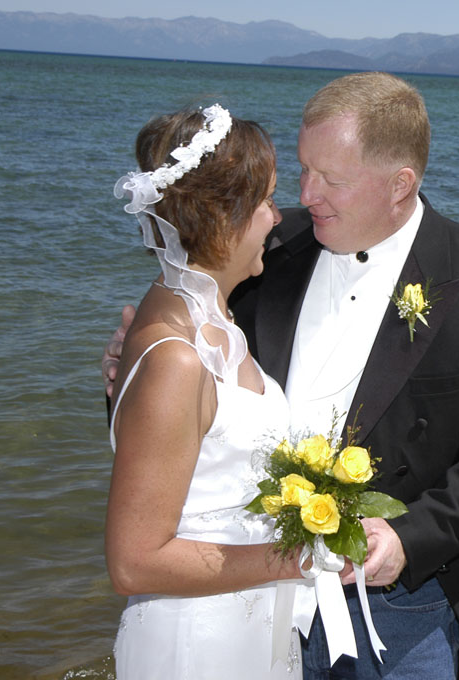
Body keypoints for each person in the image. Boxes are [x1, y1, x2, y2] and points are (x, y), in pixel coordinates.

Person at [105, 72, 459, 679]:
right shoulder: (263, 242)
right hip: (251, 599)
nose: (306, 195)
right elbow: (184, 396)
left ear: (401, 185)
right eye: (302, 169)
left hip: (400, 609)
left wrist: (410, 538)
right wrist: (128, 376)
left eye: (332, 180)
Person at [105, 105, 305, 678]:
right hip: (197, 645)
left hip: (245, 625)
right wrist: (295, 557)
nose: (276, 217)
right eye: (266, 200)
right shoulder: (176, 355)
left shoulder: (211, 320)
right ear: (223, 217)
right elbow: (135, 562)